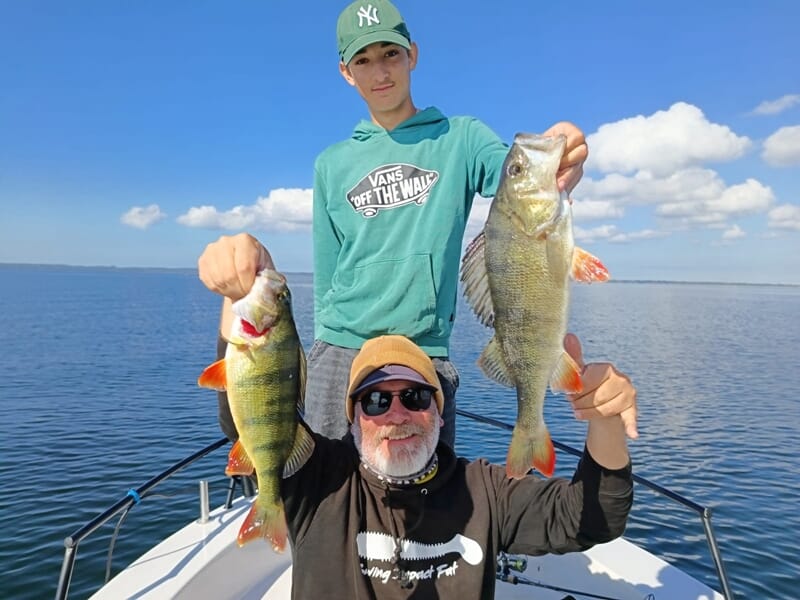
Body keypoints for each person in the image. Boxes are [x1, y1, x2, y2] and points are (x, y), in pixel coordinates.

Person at [198, 0, 589, 446]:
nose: (379, 72)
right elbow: (328, 269)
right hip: (339, 348)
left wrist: (563, 157)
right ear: (347, 72)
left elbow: (515, 181)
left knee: (426, 499)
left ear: (413, 56)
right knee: (327, 488)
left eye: (390, 54)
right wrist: (325, 340)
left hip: (424, 351)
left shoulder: (461, 137)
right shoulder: (331, 163)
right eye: (363, 60)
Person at [278, 333, 637, 598]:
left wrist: (605, 420)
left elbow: (593, 518)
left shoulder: (483, 489)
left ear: (438, 412)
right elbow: (249, 417)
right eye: (375, 400)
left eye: (415, 396)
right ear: (354, 417)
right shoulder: (318, 479)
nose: (397, 414)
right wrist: (239, 301)